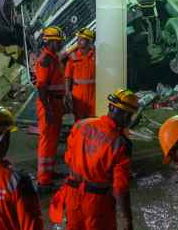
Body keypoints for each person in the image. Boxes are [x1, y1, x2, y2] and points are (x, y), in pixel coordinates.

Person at [54, 89, 138, 230]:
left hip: (72, 195)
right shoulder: (121, 143)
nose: (127, 119)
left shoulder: (82, 124)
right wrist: (127, 220)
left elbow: (69, 158)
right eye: (126, 114)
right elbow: (120, 188)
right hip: (97, 203)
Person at [35, 26, 66, 192]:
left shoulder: (53, 57)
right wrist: (47, 110)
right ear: (50, 42)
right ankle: (43, 181)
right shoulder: (46, 60)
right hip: (49, 103)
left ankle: (49, 172)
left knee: (52, 140)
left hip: (55, 103)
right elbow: (41, 87)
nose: (61, 44)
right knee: (47, 141)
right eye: (58, 42)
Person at [65, 28, 96, 121]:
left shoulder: (96, 55)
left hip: (93, 94)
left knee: (92, 120)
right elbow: (67, 77)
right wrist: (67, 93)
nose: (78, 41)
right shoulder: (73, 56)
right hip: (78, 95)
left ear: (89, 41)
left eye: (81, 39)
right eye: (78, 39)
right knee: (79, 121)